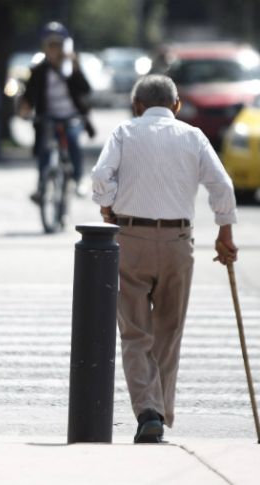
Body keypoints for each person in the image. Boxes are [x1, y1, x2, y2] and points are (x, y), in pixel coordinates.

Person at [91, 74, 238, 443]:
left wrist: (107, 206)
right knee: (169, 333)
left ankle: (148, 411)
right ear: (176, 106)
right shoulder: (193, 136)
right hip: (177, 241)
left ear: (136, 104)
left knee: (135, 333)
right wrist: (225, 232)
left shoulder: (124, 132)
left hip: (131, 239)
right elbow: (222, 185)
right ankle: (159, 410)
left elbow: (100, 175)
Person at [18, 21, 95, 201]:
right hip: (48, 116)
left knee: (73, 140)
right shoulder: (39, 70)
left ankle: (77, 179)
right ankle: (41, 187)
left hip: (71, 115)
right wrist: (25, 109)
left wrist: (75, 68)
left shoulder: (70, 68)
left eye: (57, 45)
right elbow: (30, 95)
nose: (54, 49)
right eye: (50, 45)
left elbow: (85, 90)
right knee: (45, 148)